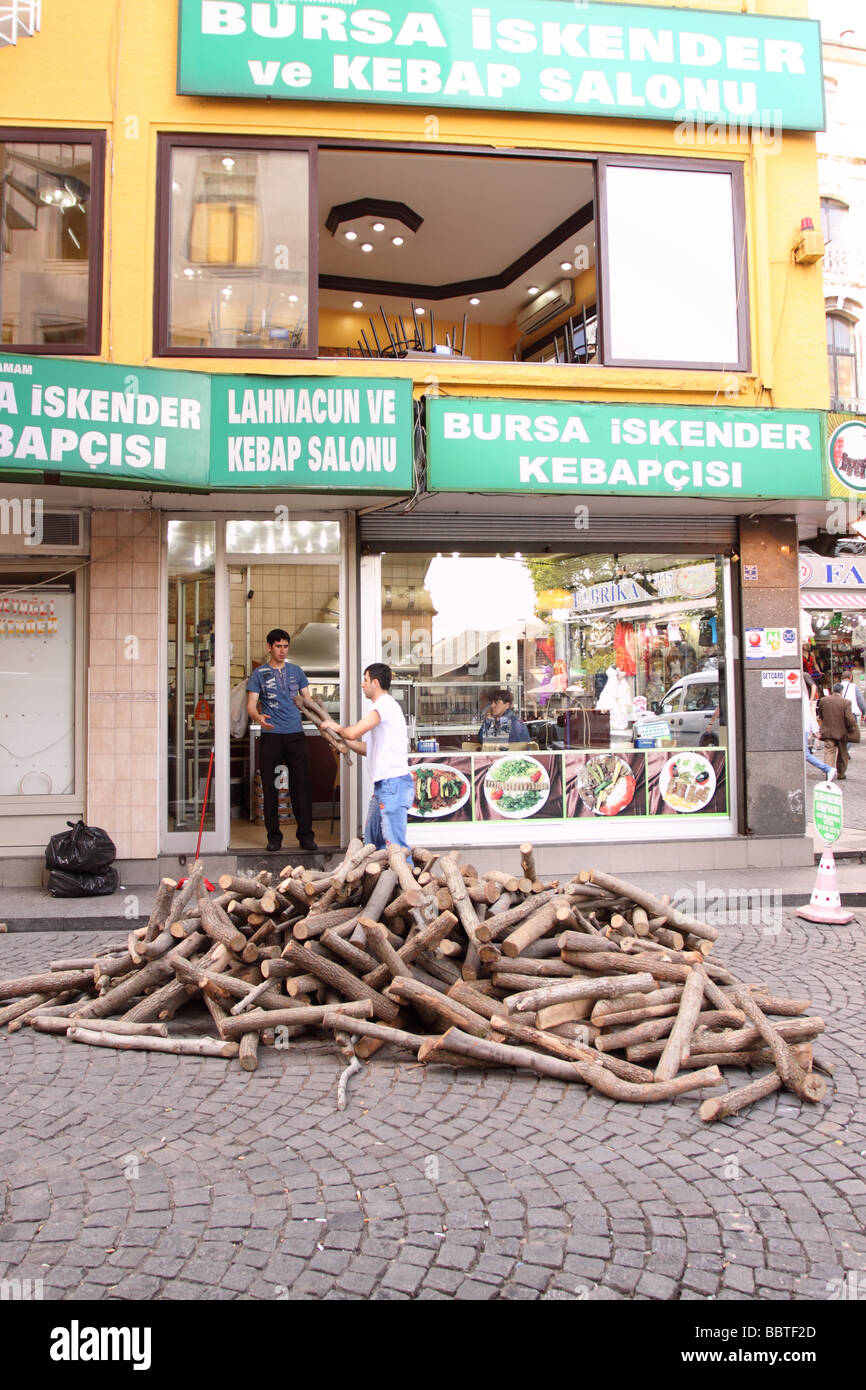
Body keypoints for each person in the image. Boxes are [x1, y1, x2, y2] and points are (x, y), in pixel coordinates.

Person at [321, 663, 414, 851]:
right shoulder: (385, 706)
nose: (362, 685)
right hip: (384, 785)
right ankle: (379, 879)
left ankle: (407, 876)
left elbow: (353, 732)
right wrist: (340, 741)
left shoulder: (384, 705)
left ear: (375, 682)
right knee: (372, 844)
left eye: (365, 680)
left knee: (395, 846)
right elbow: (367, 748)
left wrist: (336, 727)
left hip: (392, 785)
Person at [246, 628, 318, 852]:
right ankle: (274, 837)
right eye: (278, 646)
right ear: (269, 647)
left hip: (296, 735)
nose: (282, 650)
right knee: (270, 788)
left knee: (302, 786)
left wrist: (321, 720)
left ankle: (306, 836)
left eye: (285, 646)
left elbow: (309, 701)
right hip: (271, 736)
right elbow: (250, 705)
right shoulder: (259, 674)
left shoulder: (297, 671)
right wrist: (258, 717)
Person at [817, 682, 860, 781]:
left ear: (832, 690)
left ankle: (829, 773)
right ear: (841, 691)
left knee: (829, 752)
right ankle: (841, 774)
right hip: (842, 733)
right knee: (842, 754)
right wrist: (852, 729)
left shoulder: (824, 700)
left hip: (828, 732)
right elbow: (849, 718)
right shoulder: (846, 702)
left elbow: (821, 715)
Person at [803, 688, 836, 781]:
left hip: (801, 728)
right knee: (804, 754)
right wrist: (814, 729)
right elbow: (808, 714)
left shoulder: (800, 694)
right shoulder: (803, 695)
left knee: (805, 754)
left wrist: (815, 729)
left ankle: (828, 769)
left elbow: (807, 714)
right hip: (803, 727)